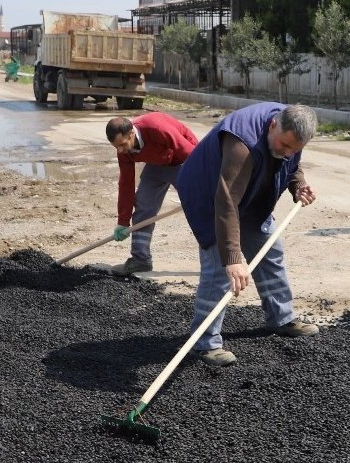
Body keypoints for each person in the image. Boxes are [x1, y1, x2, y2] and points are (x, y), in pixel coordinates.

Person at [174, 103, 320, 367]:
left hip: (251, 195)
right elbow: (227, 199)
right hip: (211, 196)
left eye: (293, 149)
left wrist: (297, 186)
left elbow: (291, 162)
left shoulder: (290, 132)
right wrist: (232, 258)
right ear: (274, 124)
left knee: (270, 252)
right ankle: (204, 342)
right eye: (284, 145)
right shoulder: (243, 141)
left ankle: (281, 318)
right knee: (220, 269)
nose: (287, 153)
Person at [104, 113, 200, 275]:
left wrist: (201, 187)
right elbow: (126, 183)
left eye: (122, 144)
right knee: (143, 205)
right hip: (158, 163)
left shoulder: (155, 127)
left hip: (184, 160)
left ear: (132, 134)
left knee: (200, 209)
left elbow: (189, 153)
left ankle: (217, 261)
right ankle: (141, 260)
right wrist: (123, 220)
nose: (120, 150)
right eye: (116, 147)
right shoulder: (124, 151)